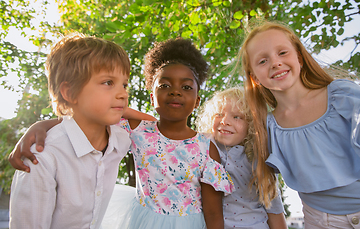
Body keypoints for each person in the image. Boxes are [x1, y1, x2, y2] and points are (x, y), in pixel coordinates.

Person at [8, 37, 235, 229]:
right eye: (165, 85)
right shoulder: (136, 131)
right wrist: (41, 125)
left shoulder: (205, 146)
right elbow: (83, 118)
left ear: (197, 101)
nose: (175, 92)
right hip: (145, 220)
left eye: (186, 87)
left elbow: (214, 212)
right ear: (151, 97)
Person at [240, 21, 360, 228]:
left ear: (300, 58)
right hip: (321, 220)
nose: (275, 63)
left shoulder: (343, 96)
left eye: (282, 53)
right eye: (262, 61)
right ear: (255, 78)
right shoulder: (268, 128)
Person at [9, 33, 137, 228]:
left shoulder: (120, 139)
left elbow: (156, 124)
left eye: (124, 84)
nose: (123, 94)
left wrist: (44, 123)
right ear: (69, 92)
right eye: (108, 83)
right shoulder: (42, 158)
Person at [196, 87, 287, 229]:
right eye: (219, 114)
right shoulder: (202, 146)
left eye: (237, 117)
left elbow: (274, 210)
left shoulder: (258, 160)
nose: (225, 121)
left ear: (252, 124)